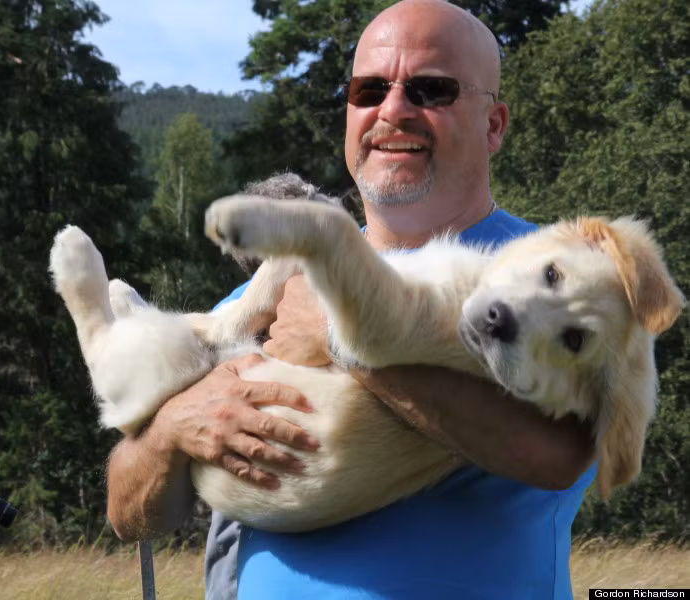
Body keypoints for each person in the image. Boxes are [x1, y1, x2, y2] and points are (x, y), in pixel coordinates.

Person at [106, 0, 596, 598]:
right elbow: (128, 512)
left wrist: (343, 343)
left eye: (431, 90)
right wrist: (172, 431)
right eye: (368, 90)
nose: (393, 110)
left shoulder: (562, 278)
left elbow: (554, 458)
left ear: (494, 125)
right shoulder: (273, 291)